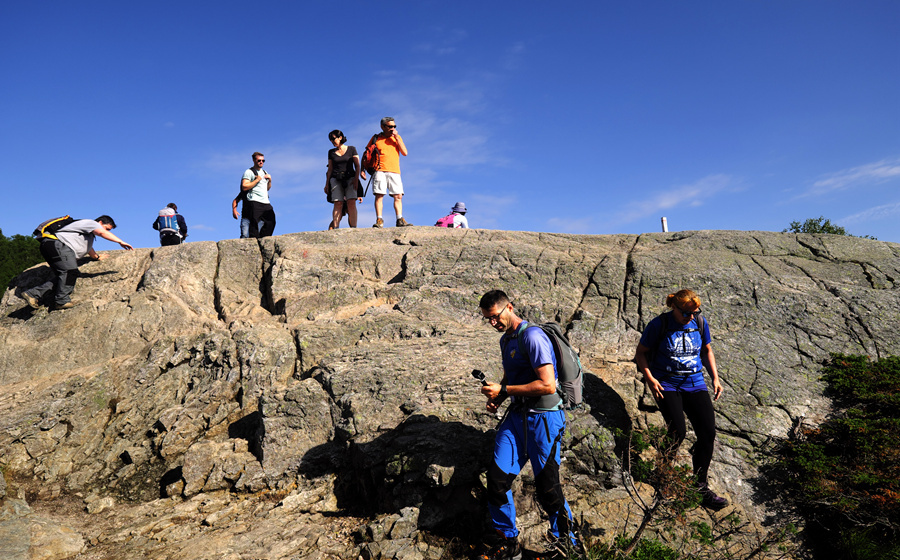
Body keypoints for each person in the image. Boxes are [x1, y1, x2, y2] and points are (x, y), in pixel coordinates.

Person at [477, 290, 580, 560]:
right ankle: (508, 542)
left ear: (509, 307)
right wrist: (499, 397)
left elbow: (547, 385)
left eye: (495, 317)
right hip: (518, 416)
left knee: (548, 487)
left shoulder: (532, 336)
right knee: (497, 480)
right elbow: (512, 376)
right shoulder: (506, 340)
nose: (492, 323)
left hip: (544, 418)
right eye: (487, 319)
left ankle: (568, 546)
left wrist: (505, 389)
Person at [633, 289, 728, 510]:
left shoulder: (700, 323)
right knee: (678, 431)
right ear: (674, 308)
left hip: (694, 382)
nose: (691, 317)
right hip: (666, 383)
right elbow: (641, 353)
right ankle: (662, 474)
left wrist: (715, 377)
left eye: (695, 312)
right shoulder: (659, 325)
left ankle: (700, 486)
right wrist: (650, 379)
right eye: (686, 313)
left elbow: (706, 351)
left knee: (708, 433)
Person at [19, 215, 133, 310]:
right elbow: (102, 233)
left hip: (52, 246)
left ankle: (33, 294)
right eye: (107, 228)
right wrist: (120, 241)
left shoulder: (87, 235)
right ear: (100, 222)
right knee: (70, 271)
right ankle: (61, 301)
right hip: (57, 244)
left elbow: (89, 249)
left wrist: (97, 257)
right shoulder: (91, 223)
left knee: (64, 276)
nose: (106, 231)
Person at [360, 117, 411, 228]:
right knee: (379, 195)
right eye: (390, 126)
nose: (393, 128)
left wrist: (397, 137)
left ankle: (399, 219)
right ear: (383, 127)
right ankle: (379, 220)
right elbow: (366, 154)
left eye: (394, 126)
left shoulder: (397, 138)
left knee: (398, 196)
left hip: (394, 170)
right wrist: (362, 169)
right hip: (379, 170)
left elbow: (405, 152)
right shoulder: (376, 138)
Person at [324, 130, 362, 229]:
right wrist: (327, 184)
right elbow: (330, 168)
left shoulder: (352, 149)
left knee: (351, 202)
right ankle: (336, 228)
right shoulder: (331, 152)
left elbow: (357, 166)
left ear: (340, 137)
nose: (332, 141)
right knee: (338, 202)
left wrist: (356, 179)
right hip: (336, 179)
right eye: (330, 140)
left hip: (350, 178)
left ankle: (353, 227)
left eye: (333, 139)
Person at [241, 152, 276, 237]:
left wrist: (270, 181)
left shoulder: (264, 172)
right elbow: (244, 186)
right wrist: (256, 180)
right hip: (254, 201)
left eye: (263, 160)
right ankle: (254, 244)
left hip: (265, 202)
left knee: (271, 222)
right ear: (254, 160)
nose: (261, 162)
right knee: (254, 225)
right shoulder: (249, 172)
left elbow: (267, 188)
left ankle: (263, 240)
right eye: (259, 160)